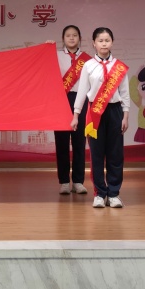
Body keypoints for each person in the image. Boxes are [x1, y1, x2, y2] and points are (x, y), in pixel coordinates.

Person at [71, 27, 130, 208]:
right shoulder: (88, 66)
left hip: (115, 111)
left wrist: (125, 116)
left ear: (112, 42)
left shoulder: (119, 66)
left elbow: (125, 93)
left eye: (107, 40)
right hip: (95, 112)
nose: (104, 44)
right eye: (100, 41)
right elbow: (82, 92)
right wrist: (76, 115)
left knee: (115, 154)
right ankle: (99, 193)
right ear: (94, 43)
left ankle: (114, 193)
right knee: (96, 154)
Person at [53, 25, 91, 195]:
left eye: (74, 35)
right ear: (63, 38)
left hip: (81, 99)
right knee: (61, 142)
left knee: (79, 142)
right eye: (68, 35)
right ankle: (63, 182)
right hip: (61, 100)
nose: (71, 38)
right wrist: (47, 47)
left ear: (79, 38)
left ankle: (78, 181)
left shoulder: (87, 60)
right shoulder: (56, 55)